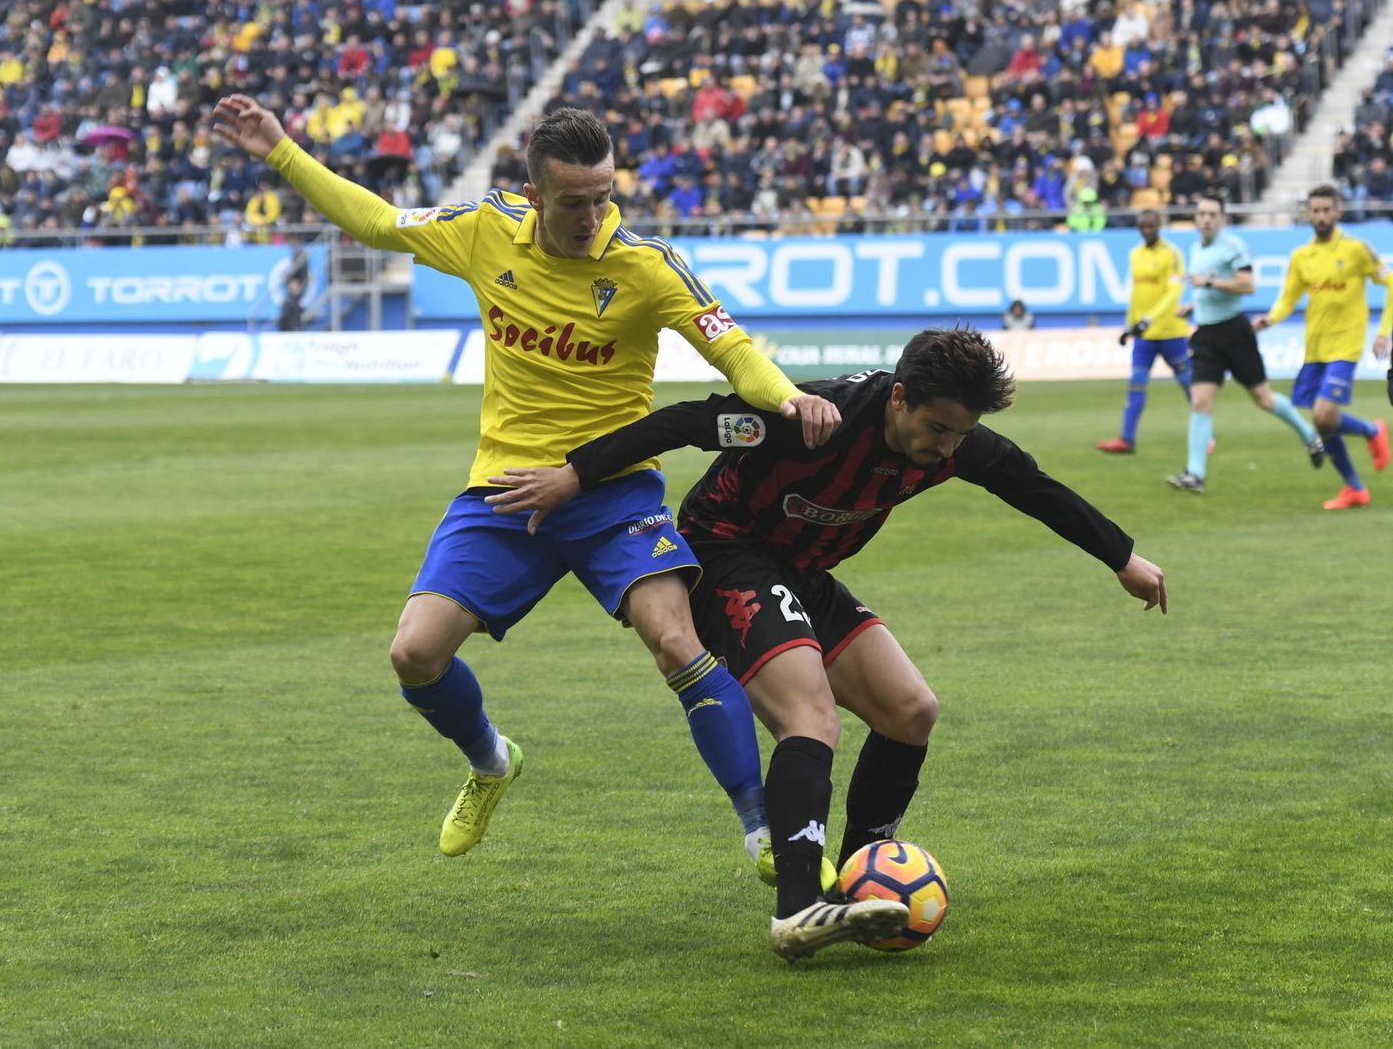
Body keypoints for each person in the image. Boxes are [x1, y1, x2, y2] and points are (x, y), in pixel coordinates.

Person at [209, 96, 843, 870]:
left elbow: (732, 347)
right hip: (506, 492)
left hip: (612, 490)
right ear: (536, 194)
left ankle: (761, 828)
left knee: (675, 638)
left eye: (605, 196)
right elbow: (377, 223)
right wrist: (282, 150)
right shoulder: (485, 230)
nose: (592, 216)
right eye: (575, 201)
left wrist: (786, 397)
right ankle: (491, 760)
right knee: (413, 654)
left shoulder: (645, 266)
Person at [485, 326, 1168, 960]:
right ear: (899, 398)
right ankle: (797, 909)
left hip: (803, 573)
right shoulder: (812, 419)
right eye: (937, 429)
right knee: (809, 715)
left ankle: (861, 877)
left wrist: (1123, 558)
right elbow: (689, 421)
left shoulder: (952, 441)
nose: (948, 448)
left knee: (910, 710)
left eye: (961, 434)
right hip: (726, 552)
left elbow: (1033, 486)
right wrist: (574, 475)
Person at [1166, 194, 1325, 493]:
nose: (1207, 219)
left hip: (1235, 333)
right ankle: (1195, 474)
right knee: (1200, 401)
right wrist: (1192, 306)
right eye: (1202, 213)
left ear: (1223, 218)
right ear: (1196, 218)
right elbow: (1205, 289)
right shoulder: (1196, 249)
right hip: (1206, 335)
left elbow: (1247, 285)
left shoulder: (1233, 247)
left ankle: (1309, 435)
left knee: (1263, 398)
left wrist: (1210, 284)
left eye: (1213, 214)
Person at [1253, 184, 1392, 509]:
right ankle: (1357, 479)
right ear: (1309, 214)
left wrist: (1384, 331)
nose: (1320, 216)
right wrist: (1269, 320)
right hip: (1315, 347)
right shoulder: (1302, 256)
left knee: (1323, 414)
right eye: (1315, 211)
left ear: (1338, 211)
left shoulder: (1358, 249)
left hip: (1347, 344)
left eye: (1326, 210)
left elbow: (1389, 283)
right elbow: (1287, 300)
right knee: (1322, 422)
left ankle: (1370, 439)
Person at [1097, 209, 1194, 454]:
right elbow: (1137, 295)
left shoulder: (1172, 254)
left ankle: (1207, 436)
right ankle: (1127, 439)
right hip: (1144, 335)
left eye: (1151, 225)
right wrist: (1129, 325)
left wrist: (1149, 319)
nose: (1146, 230)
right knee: (1137, 383)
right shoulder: (1135, 254)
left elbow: (1173, 294)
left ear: (1159, 224)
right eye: (1142, 226)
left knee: (1188, 383)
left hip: (1171, 330)